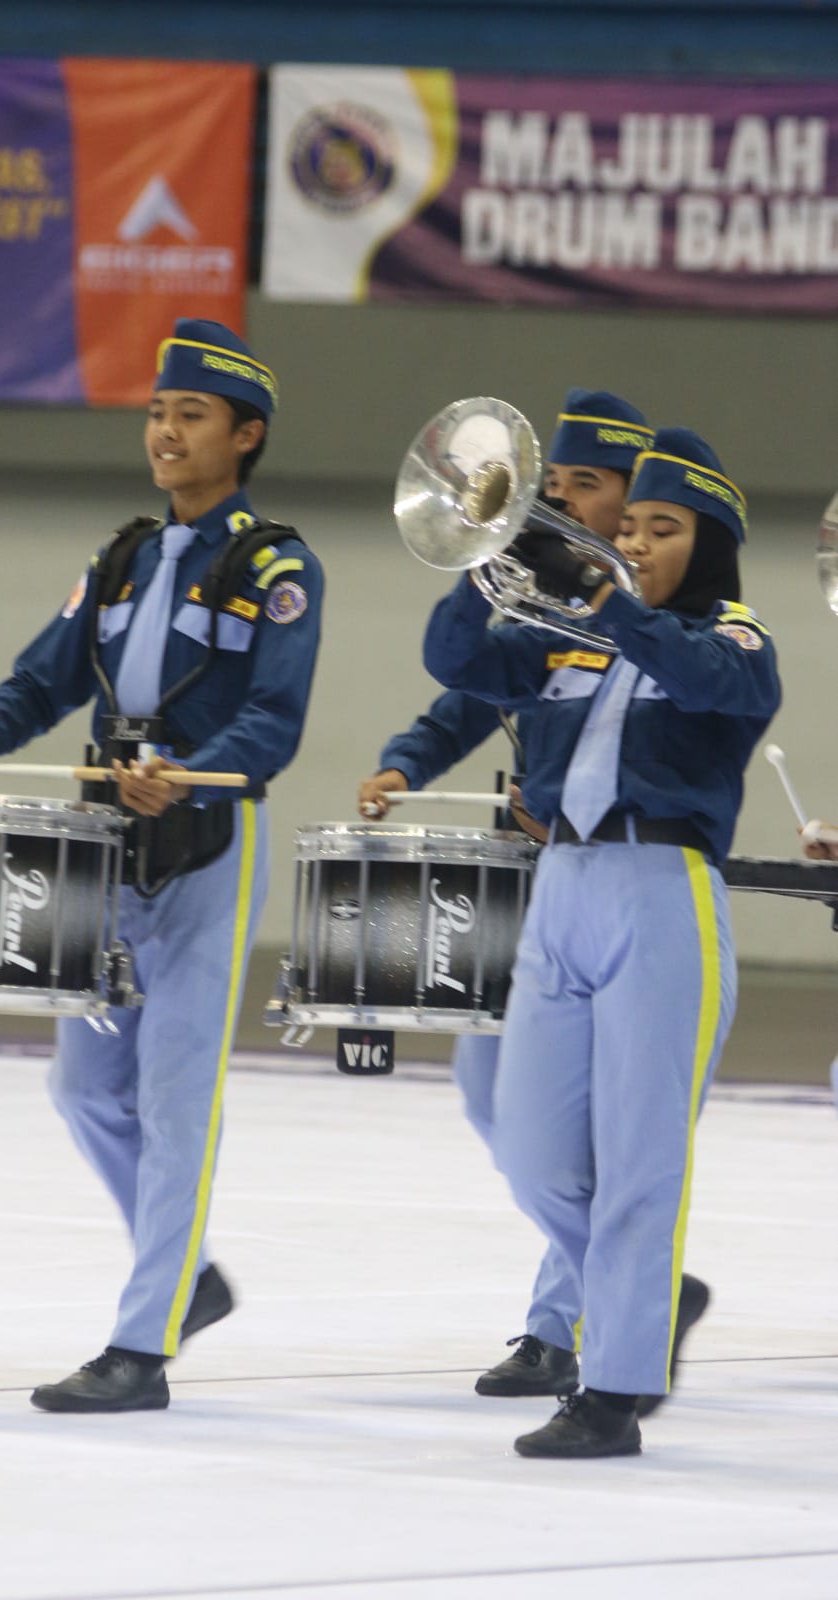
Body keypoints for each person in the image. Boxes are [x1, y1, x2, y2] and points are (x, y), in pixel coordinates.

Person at [0, 319, 324, 1413]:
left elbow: (273, 722)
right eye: (156, 412)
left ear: (243, 436)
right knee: (84, 1085)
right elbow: (48, 673)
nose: (163, 431)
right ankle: (188, 1276)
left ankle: (140, 1346)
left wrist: (192, 775)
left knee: (177, 1095)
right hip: (105, 846)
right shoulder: (123, 557)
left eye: (188, 415)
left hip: (202, 850)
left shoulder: (275, 565)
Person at [422, 428, 780, 1457]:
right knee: (527, 1140)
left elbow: (707, 680)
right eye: (627, 527)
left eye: (662, 530)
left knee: (637, 1159)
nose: (634, 542)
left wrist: (607, 597)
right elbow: (455, 664)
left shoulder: (737, 642)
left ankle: (612, 1389)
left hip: (661, 895)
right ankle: (651, 1298)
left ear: (709, 547)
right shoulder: (565, 639)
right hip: (564, 887)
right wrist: (482, 567)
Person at [362, 392, 707, 1411]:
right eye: (548, 487)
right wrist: (406, 761)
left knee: (608, 1123)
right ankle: (642, 1286)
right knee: (496, 1102)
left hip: (632, 884)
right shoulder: (535, 599)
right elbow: (471, 691)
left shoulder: (671, 618)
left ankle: (565, 1323)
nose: (556, 504)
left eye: (580, 488)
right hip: (537, 886)